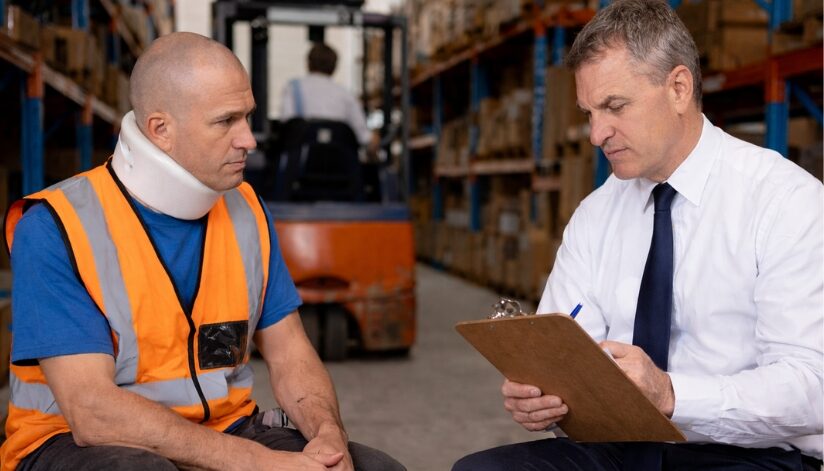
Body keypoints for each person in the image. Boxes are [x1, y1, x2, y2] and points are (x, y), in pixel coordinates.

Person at [1, 32, 404, 471]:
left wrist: (329, 435)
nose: (248, 139)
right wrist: (259, 463)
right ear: (160, 129)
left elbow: (290, 353)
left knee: (374, 468)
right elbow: (91, 413)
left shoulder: (247, 210)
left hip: (223, 428)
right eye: (226, 121)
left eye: (247, 117)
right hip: (74, 442)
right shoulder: (54, 225)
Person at [453, 1, 823, 470]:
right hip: (619, 445)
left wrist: (671, 394)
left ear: (678, 88)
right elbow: (564, 349)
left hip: (748, 455)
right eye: (589, 112)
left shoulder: (784, 202)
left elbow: (812, 387)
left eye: (614, 107)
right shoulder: (597, 212)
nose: (595, 134)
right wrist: (543, 397)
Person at [279, 42, 378, 152]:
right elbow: (364, 137)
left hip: (302, 161)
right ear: (334, 67)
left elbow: (287, 125)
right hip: (340, 163)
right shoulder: (345, 94)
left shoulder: (293, 88)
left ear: (308, 63)